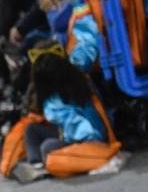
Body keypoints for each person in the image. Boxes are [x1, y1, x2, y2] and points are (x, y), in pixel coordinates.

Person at [12, 50, 111, 183]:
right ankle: (36, 163)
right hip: (69, 134)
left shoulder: (72, 95)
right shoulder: (77, 83)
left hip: (87, 140)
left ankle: (40, 165)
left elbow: (85, 132)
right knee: (31, 129)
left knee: (47, 146)